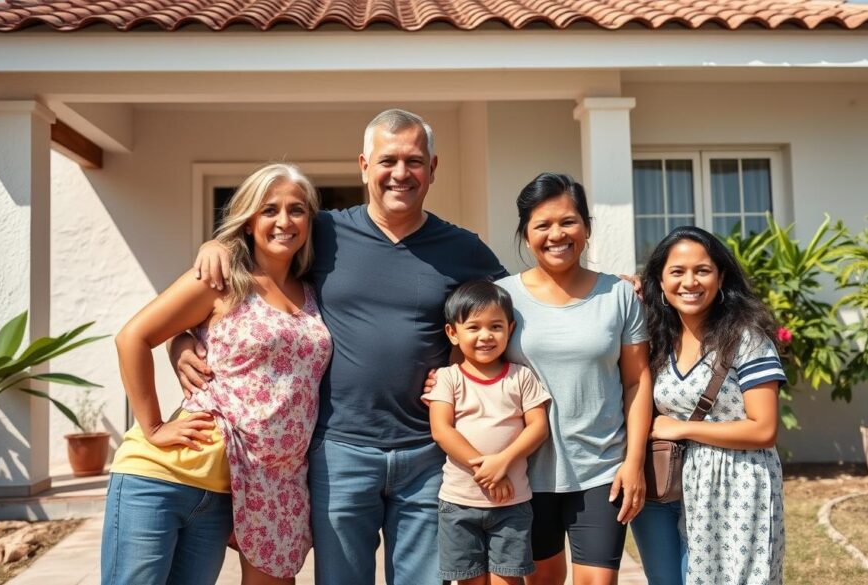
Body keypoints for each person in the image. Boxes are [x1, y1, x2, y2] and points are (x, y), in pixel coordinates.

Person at [176, 109, 508, 584]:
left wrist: (604, 285)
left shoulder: (464, 249)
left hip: (427, 451)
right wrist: (187, 327)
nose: (400, 173)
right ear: (364, 165)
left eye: (414, 161)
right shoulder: (323, 232)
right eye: (387, 160)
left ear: (433, 168)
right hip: (339, 451)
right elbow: (252, 268)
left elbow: (517, 310)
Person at [103, 163, 331, 585]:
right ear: (248, 220)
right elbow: (132, 338)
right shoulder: (221, 280)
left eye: (297, 209)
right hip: (170, 474)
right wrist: (152, 426)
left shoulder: (316, 291)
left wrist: (183, 340)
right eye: (269, 210)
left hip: (264, 482)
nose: (284, 221)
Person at [497, 173, 652, 585]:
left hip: (602, 469)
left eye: (568, 222)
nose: (556, 235)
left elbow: (637, 381)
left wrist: (633, 462)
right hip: (526, 474)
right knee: (543, 581)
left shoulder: (619, 295)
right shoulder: (502, 299)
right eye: (542, 225)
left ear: (585, 227)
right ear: (525, 234)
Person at [637, 225, 787, 585]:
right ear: (659, 282)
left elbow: (764, 428)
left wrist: (684, 427)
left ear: (721, 278)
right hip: (662, 486)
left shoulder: (747, 339)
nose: (690, 282)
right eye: (677, 272)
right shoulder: (656, 339)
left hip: (734, 487)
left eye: (702, 270)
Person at [424, 279, 552, 584]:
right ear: (452, 333)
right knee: (469, 580)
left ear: (510, 328)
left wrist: (503, 462)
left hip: (512, 505)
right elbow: (442, 430)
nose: (485, 336)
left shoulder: (522, 377)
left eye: (495, 327)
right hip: (458, 504)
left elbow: (538, 427)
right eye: (474, 327)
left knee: (507, 580)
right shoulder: (447, 378)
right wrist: (484, 467)